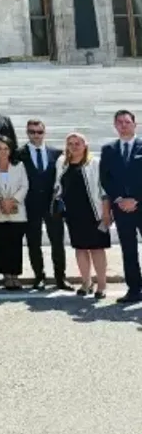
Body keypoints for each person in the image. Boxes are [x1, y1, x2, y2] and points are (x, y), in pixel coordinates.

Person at [56, 132, 111, 300]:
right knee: (80, 249)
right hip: (73, 214)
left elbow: (104, 190)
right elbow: (58, 186)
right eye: (70, 143)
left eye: (77, 143)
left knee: (96, 249)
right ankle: (86, 282)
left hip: (94, 213)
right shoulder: (62, 163)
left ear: (85, 145)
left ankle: (101, 284)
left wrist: (106, 213)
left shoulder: (94, 163)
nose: (74, 146)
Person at [98, 109, 142, 304]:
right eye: (120, 122)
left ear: (135, 124)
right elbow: (105, 178)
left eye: (127, 122)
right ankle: (134, 290)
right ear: (115, 125)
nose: (124, 125)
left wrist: (136, 200)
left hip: (140, 204)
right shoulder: (108, 150)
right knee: (128, 250)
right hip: (121, 208)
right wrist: (119, 199)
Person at [17, 118, 66, 290]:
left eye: (39, 132)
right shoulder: (18, 153)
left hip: (52, 206)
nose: (36, 135)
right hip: (30, 206)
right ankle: (39, 276)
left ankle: (61, 277)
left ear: (44, 133)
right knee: (33, 243)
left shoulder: (57, 153)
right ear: (27, 133)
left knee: (57, 242)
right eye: (32, 132)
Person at [0, 136, 28, 291]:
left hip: (17, 211)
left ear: (10, 150)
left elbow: (24, 185)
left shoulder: (19, 165)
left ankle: (15, 275)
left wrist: (13, 200)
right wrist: (0, 200)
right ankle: (6, 275)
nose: (3, 152)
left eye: (6, 148)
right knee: (1, 244)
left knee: (15, 244)